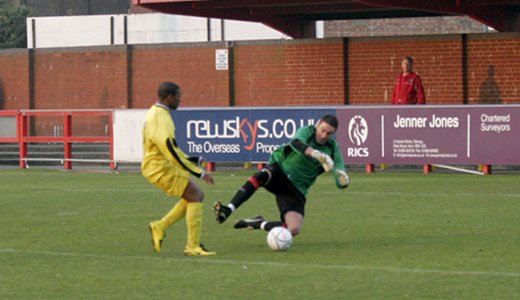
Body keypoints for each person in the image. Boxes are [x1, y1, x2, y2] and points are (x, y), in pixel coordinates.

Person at [213, 114, 350, 239]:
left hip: (297, 189)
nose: (324, 135)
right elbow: (296, 142)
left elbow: (340, 174)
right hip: (280, 171)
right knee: (261, 176)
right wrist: (316, 154)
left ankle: (258, 223)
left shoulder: (333, 149)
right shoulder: (308, 131)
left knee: (293, 228)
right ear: (317, 125)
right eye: (322, 130)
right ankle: (229, 209)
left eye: (329, 133)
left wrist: (342, 180)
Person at [142, 81, 216, 256]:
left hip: (160, 165)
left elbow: (168, 149)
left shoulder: (154, 111)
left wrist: (193, 159)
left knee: (194, 195)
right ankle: (192, 246)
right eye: (178, 97)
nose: (180, 101)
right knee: (195, 195)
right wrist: (200, 172)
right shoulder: (162, 119)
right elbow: (170, 151)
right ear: (170, 98)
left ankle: (160, 227)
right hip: (160, 168)